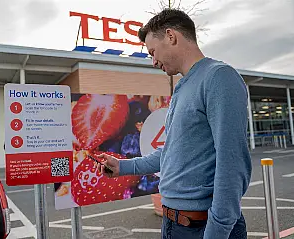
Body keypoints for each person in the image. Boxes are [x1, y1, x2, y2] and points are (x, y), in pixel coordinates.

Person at [97, 8, 252, 239]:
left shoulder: (219, 77)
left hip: (202, 227)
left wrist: (216, 232)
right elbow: (171, 151)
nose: (153, 61)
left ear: (171, 36)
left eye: (152, 52)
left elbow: (232, 163)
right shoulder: (182, 87)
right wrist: (122, 167)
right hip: (173, 224)